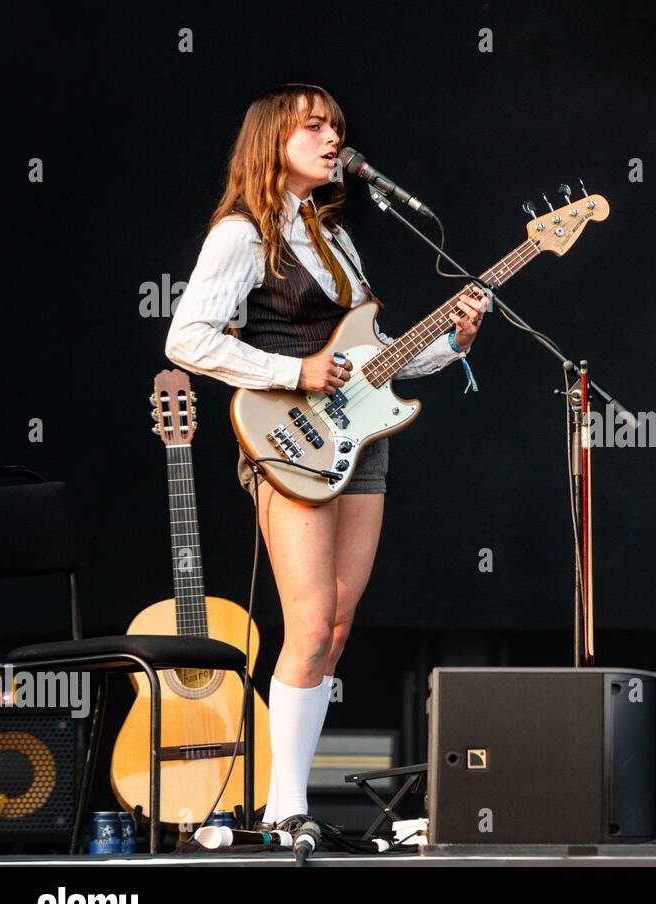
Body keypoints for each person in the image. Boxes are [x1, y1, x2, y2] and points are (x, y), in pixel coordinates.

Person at [165, 83, 488, 831]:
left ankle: (291, 799)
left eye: (336, 126)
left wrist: (453, 342)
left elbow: (376, 360)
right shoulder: (244, 233)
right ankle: (287, 809)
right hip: (286, 437)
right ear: (271, 140)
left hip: (358, 440)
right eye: (313, 125)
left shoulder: (335, 236)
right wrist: (294, 371)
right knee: (307, 626)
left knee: (337, 627)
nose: (332, 137)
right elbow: (186, 339)